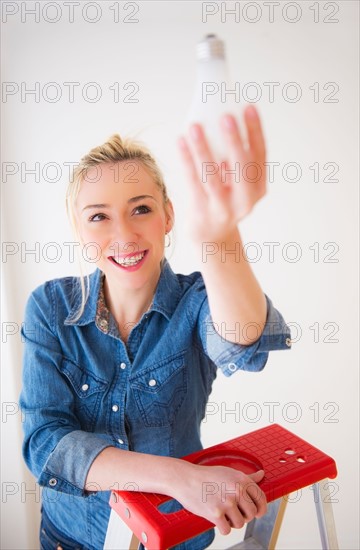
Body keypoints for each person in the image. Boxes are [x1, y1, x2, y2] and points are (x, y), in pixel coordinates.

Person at [20, 106, 292, 550]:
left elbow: (242, 341)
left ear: (168, 217)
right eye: (99, 216)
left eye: (140, 209)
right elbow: (47, 445)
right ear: (78, 230)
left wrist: (219, 238)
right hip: (68, 538)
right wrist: (180, 478)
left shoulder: (198, 301)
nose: (124, 234)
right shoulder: (49, 308)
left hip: (174, 539)